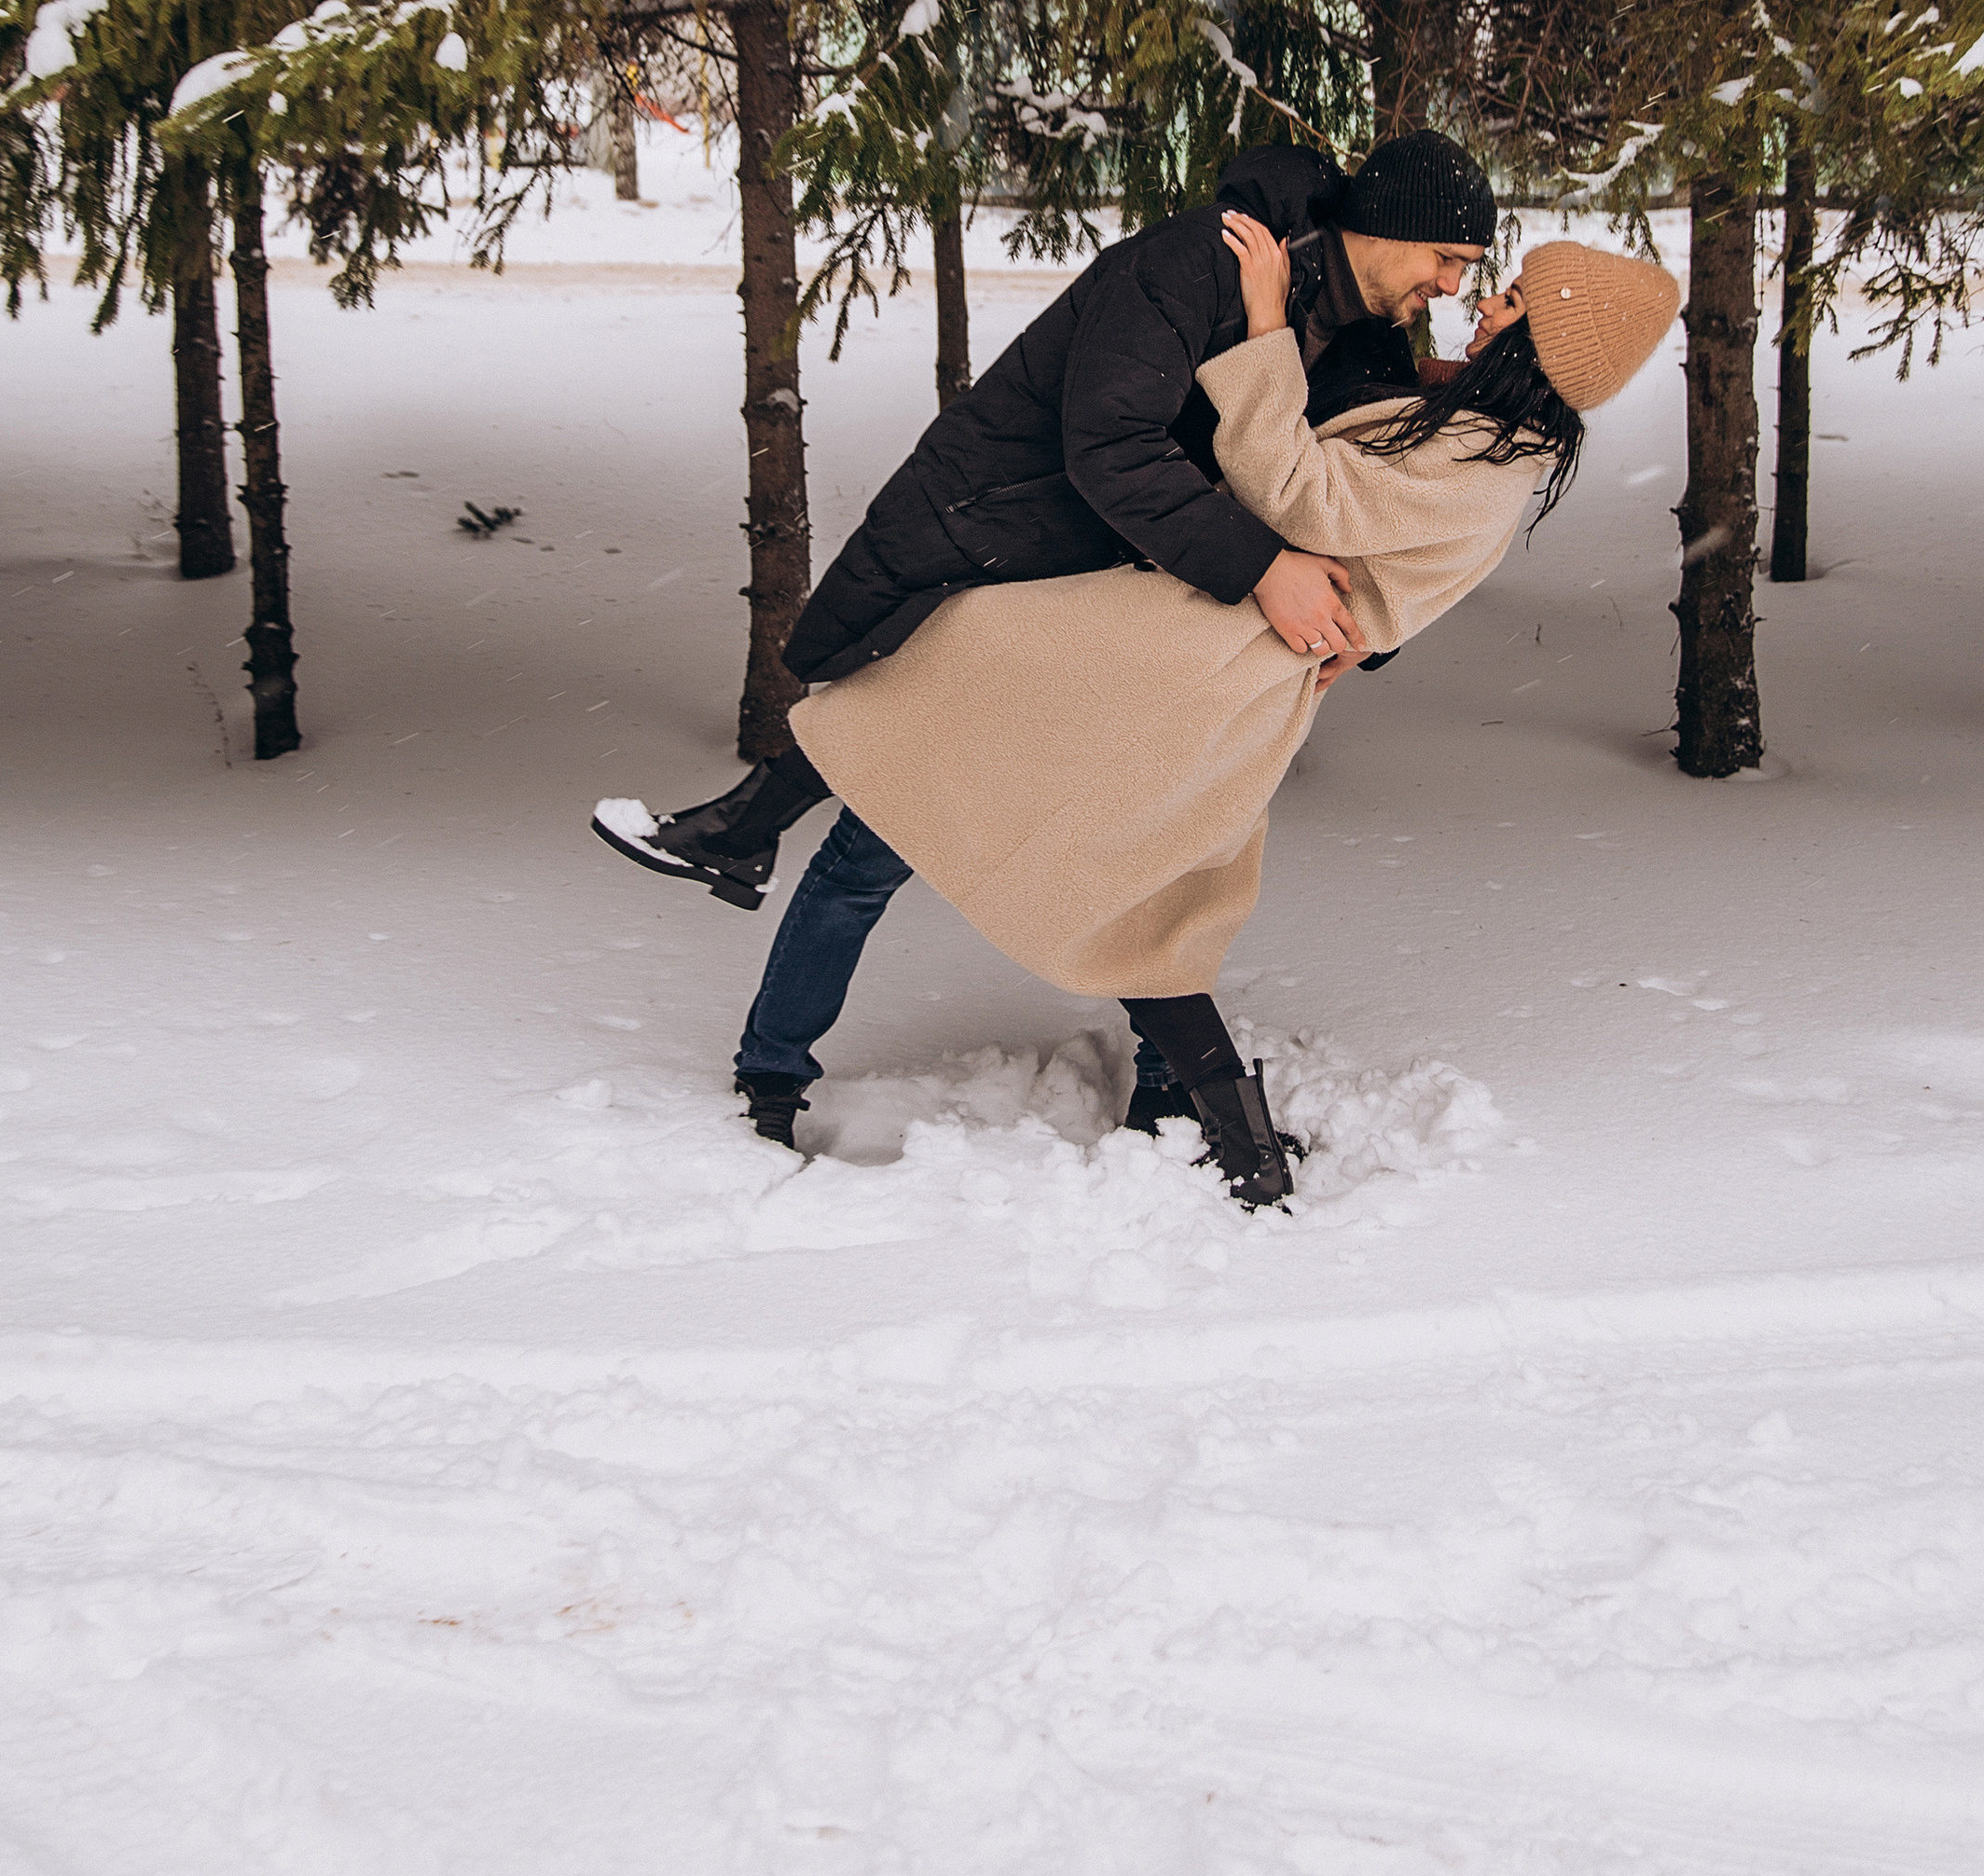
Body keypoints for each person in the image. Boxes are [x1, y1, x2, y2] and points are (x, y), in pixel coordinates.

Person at [658, 222, 1680, 1207]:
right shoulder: (1473, 427)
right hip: (1214, 656)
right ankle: (1201, 1120)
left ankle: (766, 1013)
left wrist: (1267, 320)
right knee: (1139, 881)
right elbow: (1378, 552)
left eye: (1508, 300)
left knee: (942, 724)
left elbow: (1298, 491)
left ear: (1547, 346)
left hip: (1196, 654)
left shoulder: (1486, 457)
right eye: (1477, 278)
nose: (1479, 305)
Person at [595, 131, 1501, 909]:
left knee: (924, 722)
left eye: (1465, 272)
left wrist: (1466, 404)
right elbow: (1111, 442)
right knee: (907, 693)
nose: (1452, 291)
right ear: (1380, 223)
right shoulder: (1198, 260)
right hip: (1012, 506)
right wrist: (1260, 567)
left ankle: (745, 843)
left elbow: (1364, 487)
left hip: (1124, 551)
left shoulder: (1364, 334)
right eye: (1444, 260)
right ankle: (757, 924)